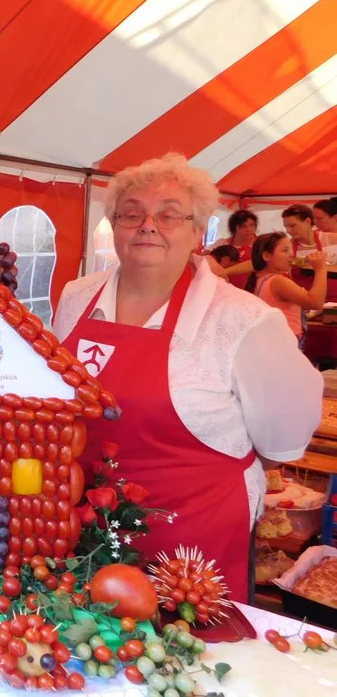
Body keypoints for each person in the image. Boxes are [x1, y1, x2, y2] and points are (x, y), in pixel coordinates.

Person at [53, 153, 322, 602]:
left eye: (170, 215)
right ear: (114, 225)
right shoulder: (76, 296)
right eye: (131, 213)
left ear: (199, 231)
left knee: (183, 660)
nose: (148, 225)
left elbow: (283, 440)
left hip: (192, 535)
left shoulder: (243, 320)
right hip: (84, 526)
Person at [245, 232, 326, 345]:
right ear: (267, 256)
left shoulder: (259, 278)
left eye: (290, 250)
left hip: (274, 339)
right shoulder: (277, 281)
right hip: (286, 340)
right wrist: (321, 270)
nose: (291, 255)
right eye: (285, 250)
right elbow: (315, 302)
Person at [208, 209, 258, 289]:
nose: (248, 229)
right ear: (234, 228)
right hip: (226, 289)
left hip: (252, 291)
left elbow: (256, 264)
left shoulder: (262, 244)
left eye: (251, 225)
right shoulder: (222, 243)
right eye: (243, 226)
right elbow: (205, 258)